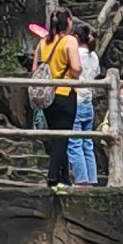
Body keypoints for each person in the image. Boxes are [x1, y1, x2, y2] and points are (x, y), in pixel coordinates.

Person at [39, 10, 82, 188]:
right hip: (65, 93)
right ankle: (53, 177)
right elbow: (77, 67)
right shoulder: (70, 41)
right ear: (69, 21)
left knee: (56, 135)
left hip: (47, 96)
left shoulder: (43, 42)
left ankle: (64, 178)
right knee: (62, 137)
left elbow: (36, 67)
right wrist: (73, 73)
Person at [69, 23, 101, 186]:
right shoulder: (93, 56)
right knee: (87, 144)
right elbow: (95, 74)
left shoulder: (75, 54)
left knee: (74, 144)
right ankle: (92, 179)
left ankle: (82, 180)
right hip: (88, 102)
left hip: (75, 101)